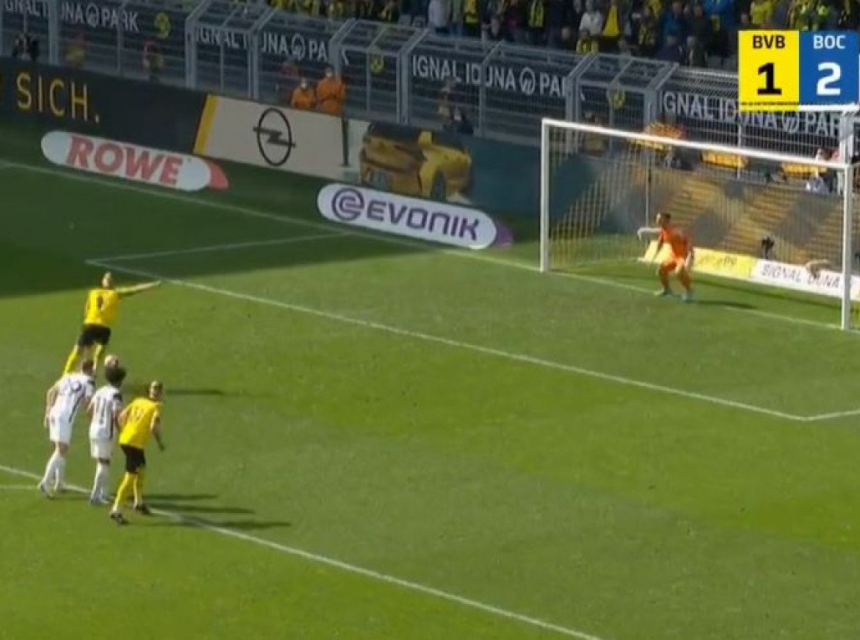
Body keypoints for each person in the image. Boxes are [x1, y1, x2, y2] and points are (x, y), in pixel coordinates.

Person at [62, 272, 160, 377]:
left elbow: (87, 308)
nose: (108, 281)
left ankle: (83, 371)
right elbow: (135, 289)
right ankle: (75, 372)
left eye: (109, 279)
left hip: (97, 325)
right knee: (87, 350)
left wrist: (151, 285)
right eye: (107, 279)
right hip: (97, 325)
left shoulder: (99, 293)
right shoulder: (110, 293)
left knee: (89, 350)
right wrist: (152, 285)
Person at [109, 381, 166, 525]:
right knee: (130, 476)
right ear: (160, 393)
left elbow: (121, 416)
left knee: (141, 468)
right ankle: (116, 509)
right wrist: (160, 442)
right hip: (134, 443)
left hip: (127, 440)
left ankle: (138, 502)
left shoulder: (138, 401)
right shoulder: (156, 407)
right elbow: (153, 427)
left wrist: (125, 431)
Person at [39, 359, 96, 497]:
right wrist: (92, 417)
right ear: (90, 369)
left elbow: (51, 391)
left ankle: (59, 482)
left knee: (59, 448)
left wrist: (48, 411)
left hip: (54, 412)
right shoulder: (89, 382)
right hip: (65, 416)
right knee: (61, 449)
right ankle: (45, 482)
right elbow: (87, 401)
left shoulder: (68, 376)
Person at [86, 363, 127, 505]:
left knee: (101, 462)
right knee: (104, 462)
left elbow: (89, 410)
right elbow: (116, 415)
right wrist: (121, 430)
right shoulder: (116, 395)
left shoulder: (100, 391)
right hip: (106, 432)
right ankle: (95, 494)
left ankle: (103, 492)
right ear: (119, 381)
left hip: (93, 429)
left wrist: (95, 421)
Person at [638, 212, 694, 301]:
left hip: (683, 256)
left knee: (679, 272)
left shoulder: (676, 231)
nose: (657, 220)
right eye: (657, 219)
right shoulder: (663, 231)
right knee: (661, 271)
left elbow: (688, 241)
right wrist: (653, 257)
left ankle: (689, 290)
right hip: (673, 256)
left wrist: (689, 257)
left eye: (660, 219)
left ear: (666, 220)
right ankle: (666, 289)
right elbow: (660, 243)